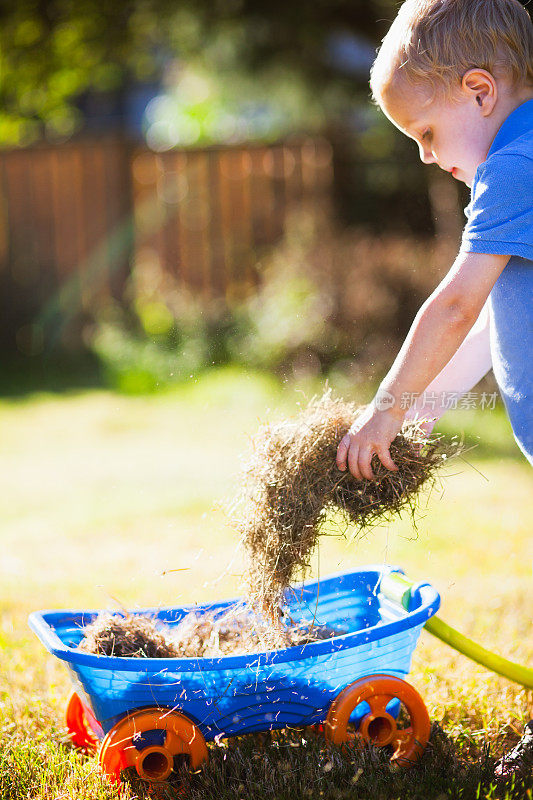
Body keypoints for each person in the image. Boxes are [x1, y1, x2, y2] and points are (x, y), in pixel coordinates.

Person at [335, 0, 533, 779]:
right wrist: (420, 414)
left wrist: (384, 406)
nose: (423, 157)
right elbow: (489, 322)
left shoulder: (515, 164)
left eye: (423, 133)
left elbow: (453, 303)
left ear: (478, 91)